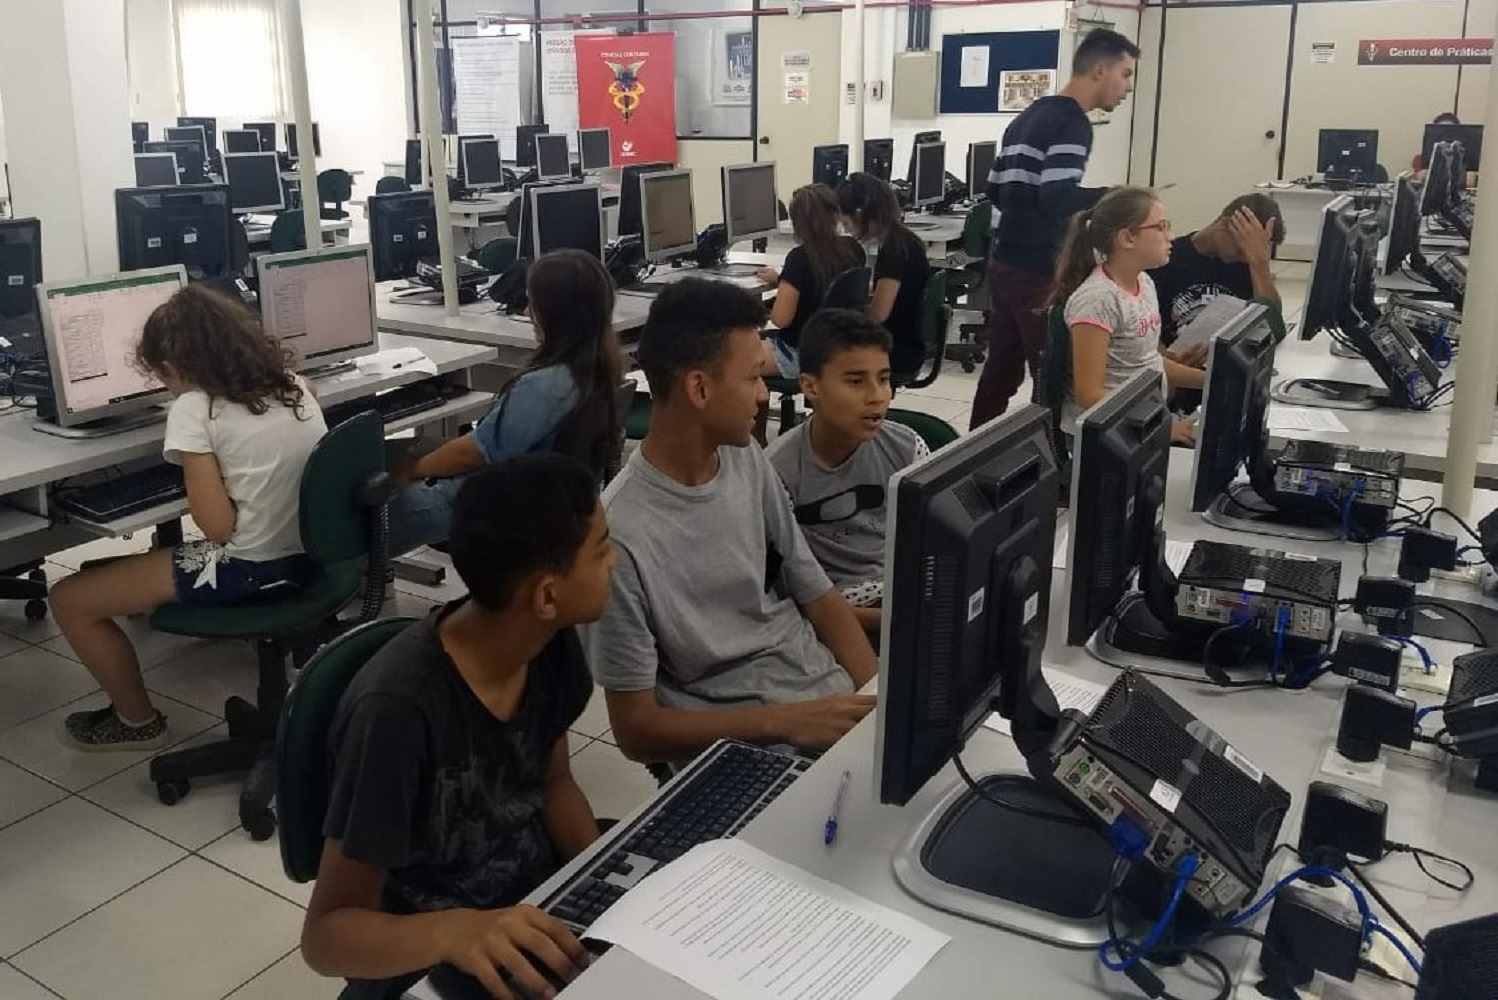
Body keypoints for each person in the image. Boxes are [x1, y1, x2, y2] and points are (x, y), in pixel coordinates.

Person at [303, 455, 611, 1000]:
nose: (615, 561)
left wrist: (601, 883)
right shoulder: (397, 712)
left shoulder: (548, 641)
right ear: (546, 595)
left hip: (531, 907)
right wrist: (455, 932)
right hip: (429, 955)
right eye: (602, 550)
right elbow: (326, 937)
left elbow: (553, 782)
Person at [588, 278, 879, 767]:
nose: (763, 396)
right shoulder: (618, 536)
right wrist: (785, 721)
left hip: (827, 706)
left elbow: (819, 597)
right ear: (699, 389)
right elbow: (635, 732)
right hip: (749, 750)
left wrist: (876, 703)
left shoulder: (743, 458)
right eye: (753, 378)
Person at [49, 285, 327, 750]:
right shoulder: (291, 384)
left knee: (70, 598)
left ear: (172, 368)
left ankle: (137, 722)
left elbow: (216, 529)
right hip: (309, 558)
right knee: (143, 569)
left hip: (248, 568)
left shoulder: (194, 409)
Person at [386, 249, 623, 555]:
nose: (526, 312)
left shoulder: (547, 386)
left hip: (495, 505)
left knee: (370, 500)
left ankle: (351, 571)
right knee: (408, 450)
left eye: (532, 304)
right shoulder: (598, 367)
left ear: (553, 314)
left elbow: (474, 453)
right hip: (544, 501)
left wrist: (411, 470)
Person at [969, 28, 1141, 430]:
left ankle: (969, 451)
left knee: (1001, 372)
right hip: (1038, 272)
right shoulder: (1073, 123)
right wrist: (1115, 196)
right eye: (1126, 74)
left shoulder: (1027, 117)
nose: (1128, 87)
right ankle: (1053, 456)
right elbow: (1058, 197)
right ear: (1099, 70)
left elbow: (994, 189)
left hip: (1005, 262)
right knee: (1052, 376)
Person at [766, 310, 928, 634]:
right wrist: (896, 622)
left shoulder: (907, 447)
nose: (877, 396)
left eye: (884, 379)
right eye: (856, 381)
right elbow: (786, 600)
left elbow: (931, 543)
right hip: (838, 613)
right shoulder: (778, 472)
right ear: (811, 386)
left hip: (905, 592)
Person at [1050, 186, 1199, 444]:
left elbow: (1148, 360)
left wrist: (1212, 381)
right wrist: (1163, 430)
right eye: (1161, 227)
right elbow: (1089, 395)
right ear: (1128, 238)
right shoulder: (1098, 300)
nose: (1171, 236)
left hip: (1143, 422)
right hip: (1106, 436)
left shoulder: (1144, 283)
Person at [1148, 193, 1284, 358]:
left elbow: (1273, 328)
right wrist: (1169, 361)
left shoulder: (1252, 263)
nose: (1244, 258)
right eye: (1241, 250)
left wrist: (1259, 262)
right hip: (1172, 362)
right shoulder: (1167, 259)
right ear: (1225, 225)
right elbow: (1141, 330)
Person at [756, 184, 866, 378]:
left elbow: (781, 320)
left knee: (732, 360)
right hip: (839, 349)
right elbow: (822, 287)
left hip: (799, 354)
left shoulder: (799, 258)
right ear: (835, 215)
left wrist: (764, 309)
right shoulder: (853, 249)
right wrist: (782, 281)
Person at [835, 173, 932, 377]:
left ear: (860, 214)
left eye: (846, 222)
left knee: (821, 350)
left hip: (895, 351)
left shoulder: (893, 251)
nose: (845, 229)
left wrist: (848, 316)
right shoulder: (907, 240)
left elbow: (878, 314)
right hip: (910, 343)